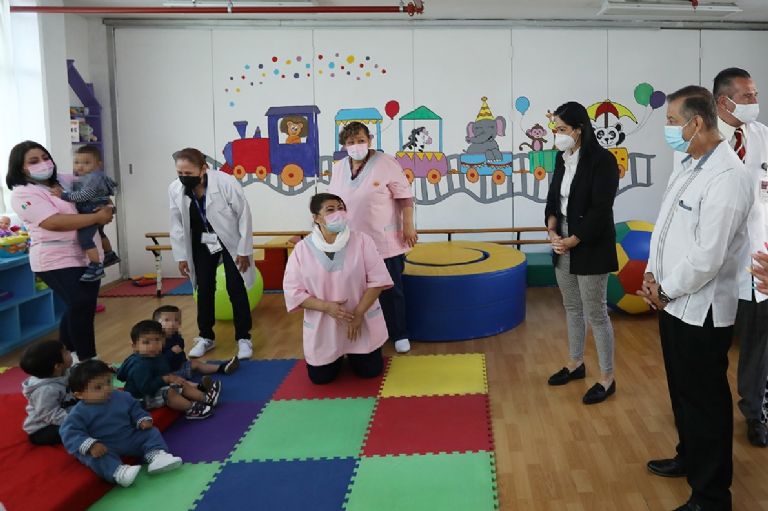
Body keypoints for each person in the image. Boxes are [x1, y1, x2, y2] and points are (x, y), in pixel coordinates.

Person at [639, 85, 753, 511]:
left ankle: (711, 496)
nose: (668, 129)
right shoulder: (688, 163)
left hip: (700, 310)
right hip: (671, 302)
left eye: (672, 121)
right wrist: (652, 273)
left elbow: (708, 257)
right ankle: (689, 456)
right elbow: (666, 226)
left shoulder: (728, 177)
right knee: (682, 392)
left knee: (705, 403)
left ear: (697, 122)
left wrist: (666, 289)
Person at [8, 141, 114, 362]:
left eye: (45, 157)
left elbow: (98, 189)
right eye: (34, 161)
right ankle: (87, 359)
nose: (43, 163)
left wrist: (107, 207)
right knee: (80, 304)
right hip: (55, 259)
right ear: (21, 167)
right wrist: (96, 217)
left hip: (87, 255)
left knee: (81, 306)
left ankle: (67, 357)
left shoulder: (65, 180)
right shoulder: (23, 193)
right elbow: (54, 222)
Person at [543, 102, 620, 405]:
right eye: (556, 129)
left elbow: (601, 209)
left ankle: (607, 378)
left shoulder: (603, 161)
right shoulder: (561, 158)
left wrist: (574, 240)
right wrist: (552, 230)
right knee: (572, 307)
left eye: (562, 129)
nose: (557, 134)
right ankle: (575, 363)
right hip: (563, 236)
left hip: (590, 241)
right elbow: (553, 198)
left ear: (578, 130)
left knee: (596, 312)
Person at [283, 193, 393, 384]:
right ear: (316, 218)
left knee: (370, 372)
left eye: (341, 208)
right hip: (324, 326)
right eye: (330, 210)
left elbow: (378, 280)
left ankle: (357, 353)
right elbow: (293, 291)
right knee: (320, 379)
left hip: (360, 321)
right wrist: (327, 307)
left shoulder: (362, 241)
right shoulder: (302, 250)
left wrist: (358, 314)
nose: (338, 213)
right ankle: (331, 357)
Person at [713, 67, 768, 448]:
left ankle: (754, 412)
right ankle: (709, 413)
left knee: (758, 345)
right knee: (712, 348)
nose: (755, 101)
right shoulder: (702, 139)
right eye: (747, 96)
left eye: (755, 94)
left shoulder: (763, 137)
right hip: (714, 266)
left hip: (757, 263)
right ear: (724, 101)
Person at [328, 122, 417, 354]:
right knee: (357, 290)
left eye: (360, 140)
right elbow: (332, 202)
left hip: (383, 240)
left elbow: (404, 196)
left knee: (391, 289)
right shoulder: (339, 168)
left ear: (369, 140)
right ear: (344, 145)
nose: (356, 145)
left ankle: (399, 333)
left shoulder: (386, 163)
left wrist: (408, 226)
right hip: (350, 240)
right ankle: (368, 331)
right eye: (351, 142)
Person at [169, 148, 255, 360]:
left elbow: (244, 216)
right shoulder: (175, 188)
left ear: (203, 169)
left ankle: (244, 337)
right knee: (204, 287)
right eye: (180, 173)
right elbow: (176, 224)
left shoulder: (226, 183)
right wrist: (181, 255)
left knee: (235, 286)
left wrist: (244, 250)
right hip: (202, 240)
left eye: (188, 173)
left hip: (230, 239)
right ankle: (206, 336)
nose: (183, 177)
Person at [60, 360, 183, 488]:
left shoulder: (121, 396)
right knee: (94, 457)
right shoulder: (78, 413)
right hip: (104, 445)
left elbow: (135, 408)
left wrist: (142, 419)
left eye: (109, 382)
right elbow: (69, 432)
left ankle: (156, 456)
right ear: (80, 395)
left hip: (128, 436)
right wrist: (91, 445)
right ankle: (118, 472)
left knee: (150, 432)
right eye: (98, 387)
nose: (107, 388)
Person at [116, 320, 216, 420]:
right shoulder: (139, 365)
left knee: (179, 382)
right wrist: (165, 379)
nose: (153, 345)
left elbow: (164, 371)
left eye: (157, 340)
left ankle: (205, 398)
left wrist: (172, 378)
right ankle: (191, 409)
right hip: (140, 399)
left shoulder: (156, 355)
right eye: (146, 342)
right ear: (135, 346)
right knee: (169, 392)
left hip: (155, 387)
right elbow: (146, 389)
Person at [54, 145, 120, 281]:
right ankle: (109, 254)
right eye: (77, 162)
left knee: (85, 239)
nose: (80, 166)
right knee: (100, 233)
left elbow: (84, 195)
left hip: (91, 211)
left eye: (86, 163)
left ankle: (96, 266)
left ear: (98, 164)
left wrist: (64, 195)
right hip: (97, 209)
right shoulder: (92, 177)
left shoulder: (93, 178)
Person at [153, 305, 239, 390]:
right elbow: (157, 362)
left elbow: (181, 346)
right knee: (179, 381)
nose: (172, 323)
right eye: (167, 320)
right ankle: (201, 387)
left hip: (181, 366)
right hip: (168, 373)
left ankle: (221, 368)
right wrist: (171, 352)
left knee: (196, 363)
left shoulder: (175, 335)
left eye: (176, 320)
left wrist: (180, 347)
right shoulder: (157, 342)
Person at [20, 340, 76, 446]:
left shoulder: (63, 372)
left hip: (65, 410)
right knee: (75, 429)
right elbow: (51, 415)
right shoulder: (45, 391)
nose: (69, 352)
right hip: (43, 428)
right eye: (65, 352)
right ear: (57, 366)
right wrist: (77, 420)